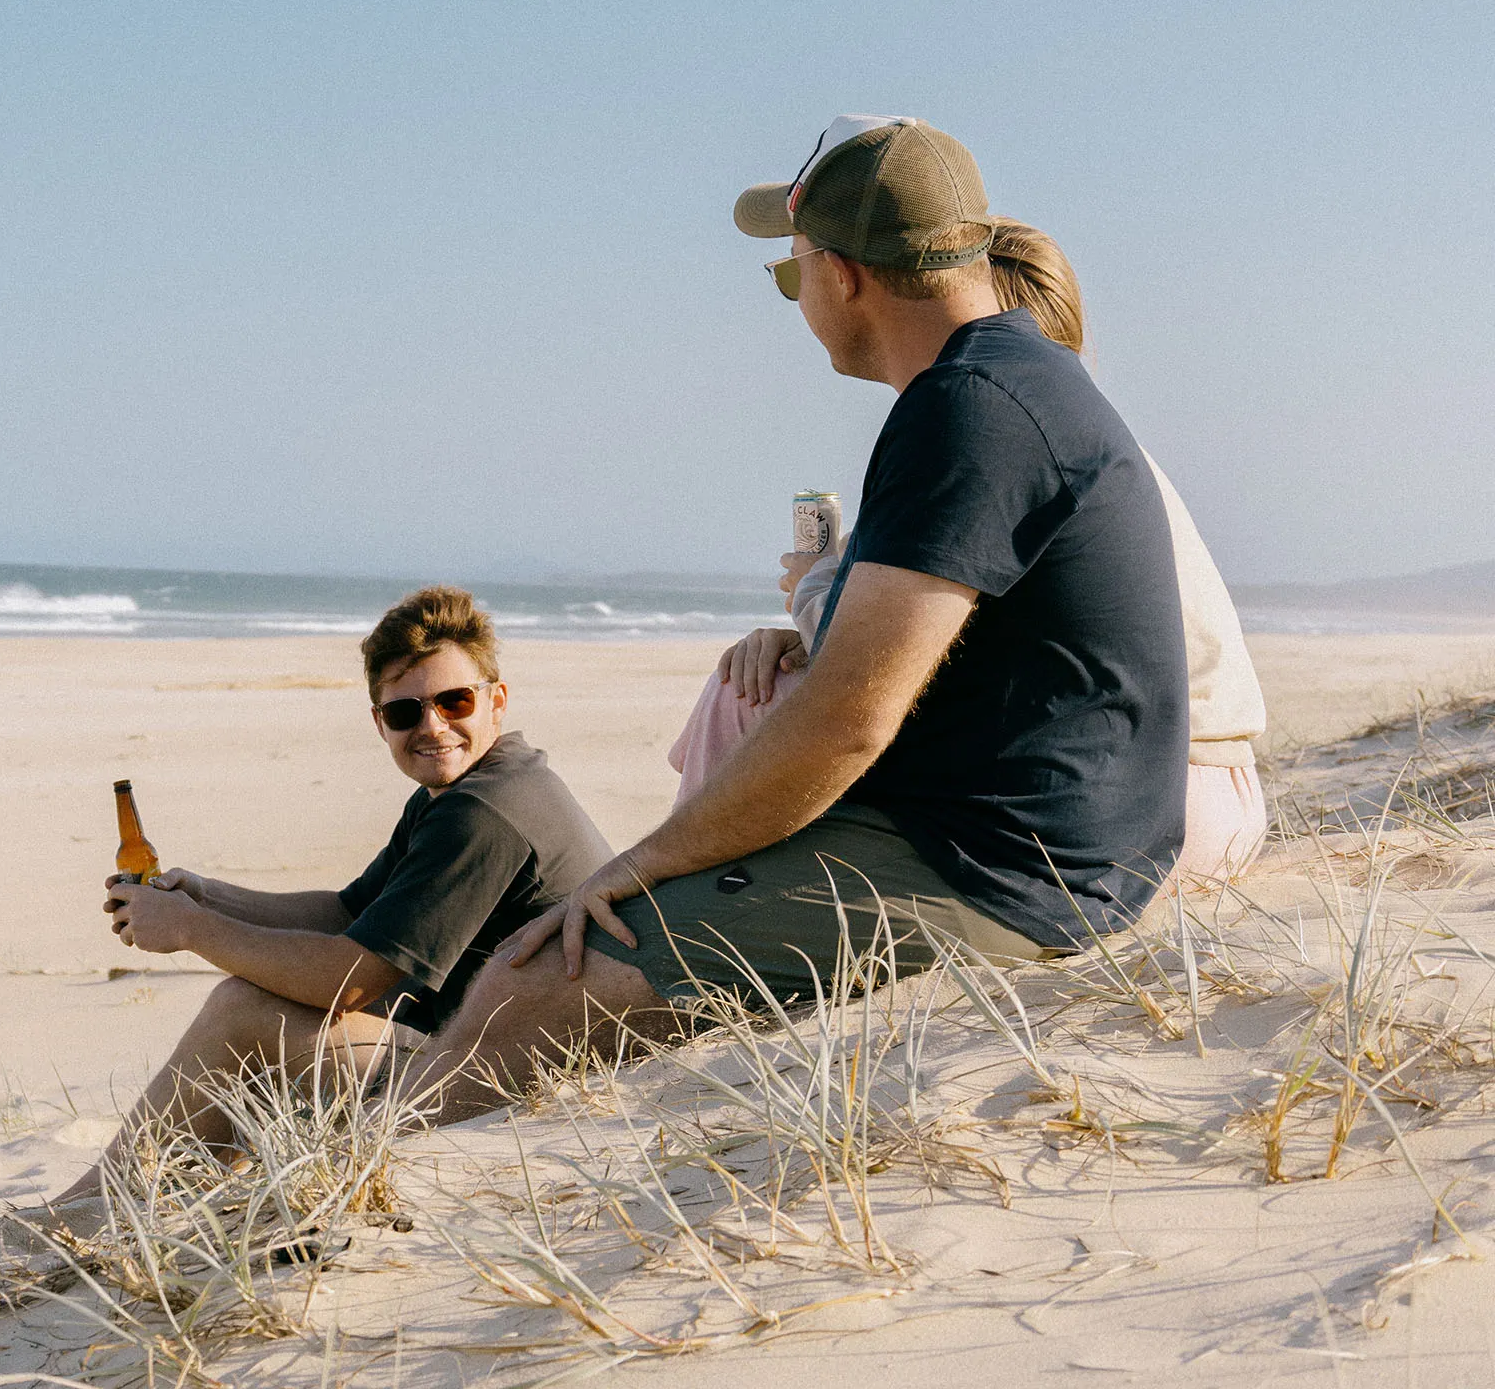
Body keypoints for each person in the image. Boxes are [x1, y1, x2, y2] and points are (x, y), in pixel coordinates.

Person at [403, 115, 1191, 1122]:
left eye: (792, 275)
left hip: (1005, 875)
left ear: (847, 277)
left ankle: (368, 1218)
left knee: (536, 985)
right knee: (550, 972)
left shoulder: (972, 409)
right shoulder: (1011, 377)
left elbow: (845, 719)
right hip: (1034, 844)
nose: (798, 299)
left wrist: (641, 862)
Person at [682, 219, 1268, 883]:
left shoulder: (986, 438)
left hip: (1129, 813)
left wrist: (816, 587)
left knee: (747, 699)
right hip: (1212, 796)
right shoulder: (1106, 451)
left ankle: (693, 905)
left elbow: (871, 677)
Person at [53, 584, 609, 1207]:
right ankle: (143, 1196)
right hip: (501, 1047)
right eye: (405, 712)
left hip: (517, 1082)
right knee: (263, 1004)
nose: (432, 727)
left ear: (495, 701)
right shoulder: (478, 782)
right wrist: (208, 897)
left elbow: (347, 981)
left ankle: (91, 1209)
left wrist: (190, 930)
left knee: (244, 1011)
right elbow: (349, 913)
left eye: (455, 701)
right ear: (380, 723)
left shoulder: (480, 812)